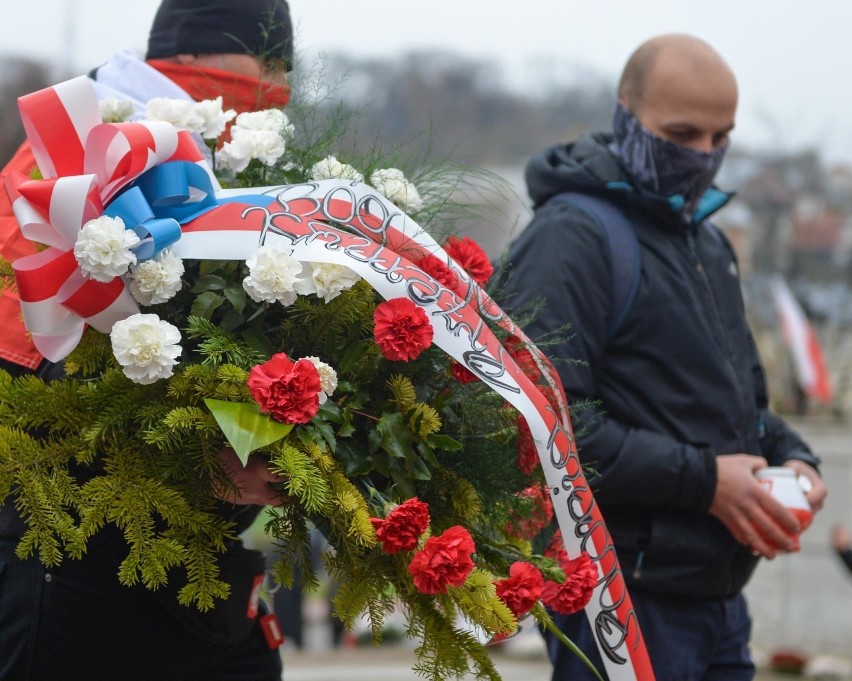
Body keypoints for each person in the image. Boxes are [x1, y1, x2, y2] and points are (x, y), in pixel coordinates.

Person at [501, 34, 828, 681]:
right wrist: (706, 482)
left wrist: (796, 459)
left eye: (720, 136)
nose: (704, 155)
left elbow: (744, 412)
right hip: (621, 600)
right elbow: (535, 429)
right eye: (682, 133)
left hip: (718, 600)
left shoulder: (707, 244)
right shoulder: (572, 238)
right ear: (626, 114)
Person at [0, 2, 295, 680]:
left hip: (200, 577)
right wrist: (197, 451)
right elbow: (31, 372)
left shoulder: (228, 160)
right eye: (264, 63)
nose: (275, 85)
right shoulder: (70, 159)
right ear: (189, 58)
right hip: (73, 569)